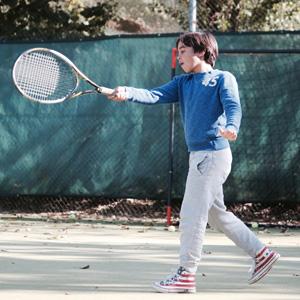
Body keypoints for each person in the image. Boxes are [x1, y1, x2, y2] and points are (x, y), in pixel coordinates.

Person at [107, 32, 280, 293]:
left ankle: (186, 273)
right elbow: (154, 94)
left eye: (183, 51)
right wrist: (126, 92)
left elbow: (233, 107)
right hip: (200, 157)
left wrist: (232, 126)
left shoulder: (223, 78)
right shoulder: (182, 82)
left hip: (212, 155)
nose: (178, 57)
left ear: (200, 52)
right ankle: (261, 253)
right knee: (217, 217)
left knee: (191, 214)